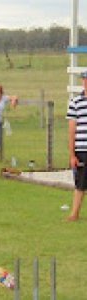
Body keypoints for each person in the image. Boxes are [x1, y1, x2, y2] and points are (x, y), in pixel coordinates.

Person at [66, 70, 87, 221]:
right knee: (80, 182)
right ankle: (74, 214)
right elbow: (72, 130)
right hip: (82, 149)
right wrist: (72, 154)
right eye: (84, 80)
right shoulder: (75, 102)